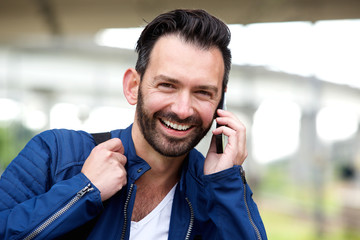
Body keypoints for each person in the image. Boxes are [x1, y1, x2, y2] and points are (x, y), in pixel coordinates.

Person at [0, 9, 267, 240]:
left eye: (203, 92)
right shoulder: (57, 154)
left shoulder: (217, 190)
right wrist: (83, 191)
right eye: (167, 85)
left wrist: (225, 183)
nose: (183, 110)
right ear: (133, 87)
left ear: (221, 101)